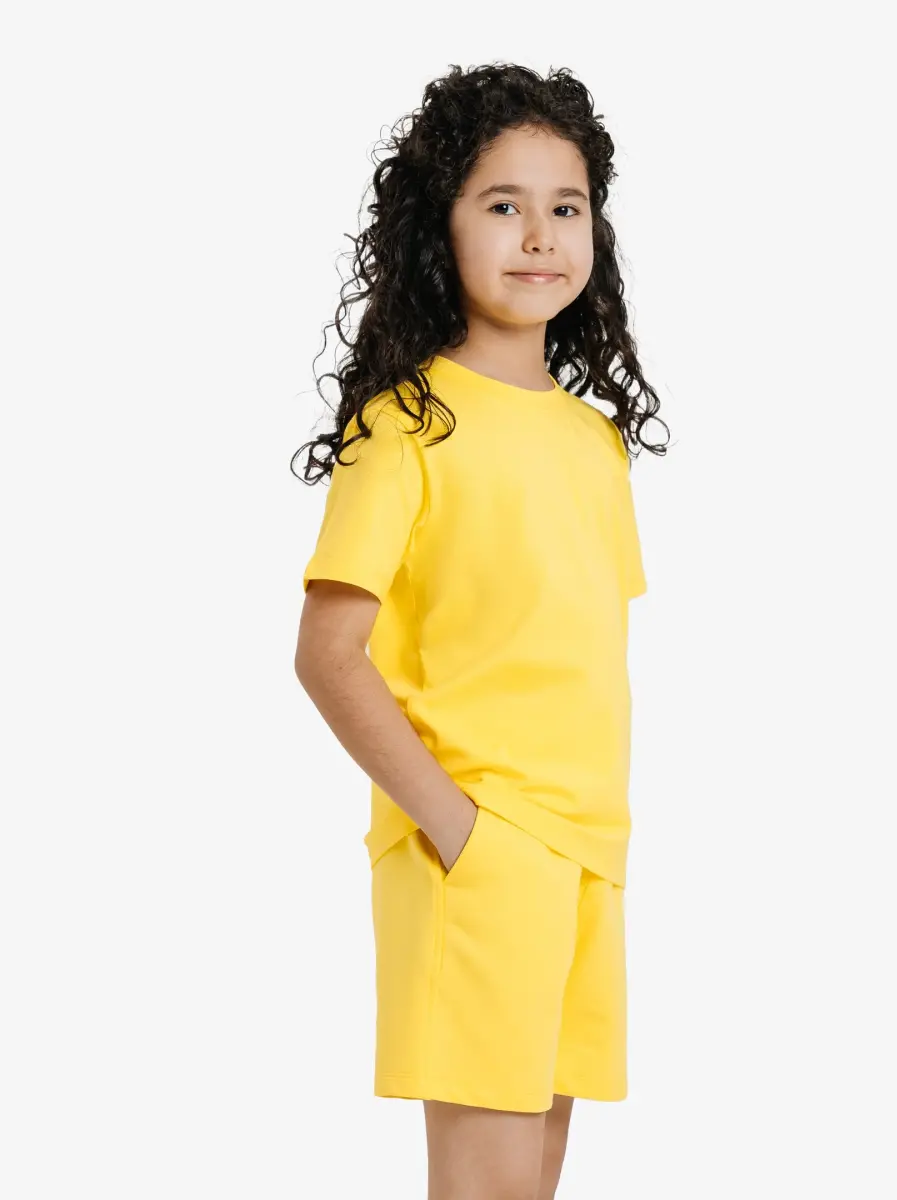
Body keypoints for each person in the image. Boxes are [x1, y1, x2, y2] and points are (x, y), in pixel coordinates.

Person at [292, 62, 668, 1200]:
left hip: (589, 850)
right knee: (486, 1183)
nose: (540, 234)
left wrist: (573, 841)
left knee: (534, 1178)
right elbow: (327, 655)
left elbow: (575, 654)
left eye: (566, 206)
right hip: (482, 848)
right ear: (438, 227)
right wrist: (461, 829)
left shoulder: (594, 444)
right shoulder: (405, 426)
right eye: (503, 204)